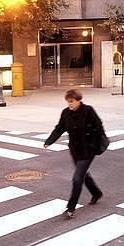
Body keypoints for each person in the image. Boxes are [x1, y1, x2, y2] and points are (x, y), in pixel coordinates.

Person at [44, 89, 104, 219]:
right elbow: (59, 128)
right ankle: (96, 192)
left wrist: (94, 144)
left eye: (71, 101)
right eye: (68, 102)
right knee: (83, 174)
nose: (69, 104)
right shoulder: (66, 113)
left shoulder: (88, 111)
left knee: (77, 178)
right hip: (75, 150)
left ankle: (70, 208)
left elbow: (98, 127)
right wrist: (49, 141)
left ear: (78, 100)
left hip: (88, 150)